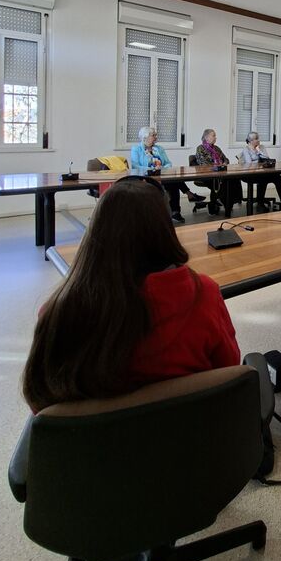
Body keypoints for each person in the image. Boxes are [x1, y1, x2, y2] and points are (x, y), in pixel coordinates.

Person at [22, 176, 240, 412]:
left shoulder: (59, 314)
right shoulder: (203, 295)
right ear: (164, 228)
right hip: (192, 429)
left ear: (96, 230)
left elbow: (41, 401)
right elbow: (229, 369)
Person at [130, 126, 203, 223]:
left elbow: (168, 163)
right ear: (145, 137)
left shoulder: (159, 148)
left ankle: (176, 212)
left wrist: (161, 168)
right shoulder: (136, 149)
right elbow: (135, 166)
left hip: (161, 175)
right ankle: (188, 196)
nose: (156, 137)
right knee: (175, 181)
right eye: (153, 135)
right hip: (146, 178)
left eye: (156, 135)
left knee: (174, 181)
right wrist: (151, 169)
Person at [194, 128, 244, 215]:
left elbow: (226, 159)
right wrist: (217, 166)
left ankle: (230, 201)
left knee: (234, 178)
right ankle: (220, 202)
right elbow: (204, 164)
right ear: (206, 137)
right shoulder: (200, 148)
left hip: (220, 173)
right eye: (213, 136)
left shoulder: (216, 148)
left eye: (215, 136)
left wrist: (224, 163)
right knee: (223, 181)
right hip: (207, 175)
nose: (215, 138)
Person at [240, 131, 281, 208]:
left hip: (262, 172)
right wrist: (259, 159)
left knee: (277, 176)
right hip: (249, 174)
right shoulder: (246, 149)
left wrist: (259, 150)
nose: (259, 140)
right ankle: (260, 202)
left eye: (258, 138)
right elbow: (249, 164)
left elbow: (267, 159)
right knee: (263, 178)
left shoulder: (261, 147)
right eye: (256, 139)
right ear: (251, 141)